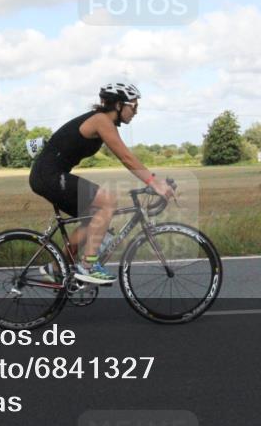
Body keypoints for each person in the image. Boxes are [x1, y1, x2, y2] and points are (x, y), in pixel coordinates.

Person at [28, 82, 175, 284]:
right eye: (134, 106)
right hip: (49, 175)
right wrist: (154, 182)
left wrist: (153, 179)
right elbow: (125, 157)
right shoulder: (101, 120)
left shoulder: (103, 122)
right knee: (108, 201)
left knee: (93, 219)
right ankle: (88, 267)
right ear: (118, 105)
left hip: (48, 175)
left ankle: (56, 268)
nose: (136, 111)